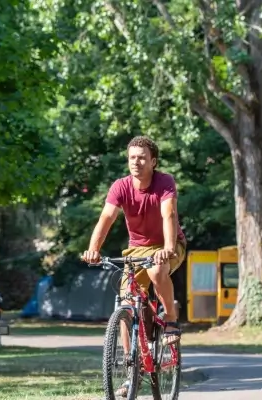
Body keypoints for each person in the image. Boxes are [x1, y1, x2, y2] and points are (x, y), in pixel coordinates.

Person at [81, 135, 186, 397]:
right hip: (136, 249)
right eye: (132, 158)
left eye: (141, 157)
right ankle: (133, 367)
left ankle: (170, 321)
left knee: (156, 269)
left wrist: (169, 247)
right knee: (127, 300)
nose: (136, 162)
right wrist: (94, 248)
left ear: (153, 161)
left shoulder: (164, 182)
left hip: (169, 245)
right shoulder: (121, 186)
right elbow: (106, 217)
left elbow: (169, 214)